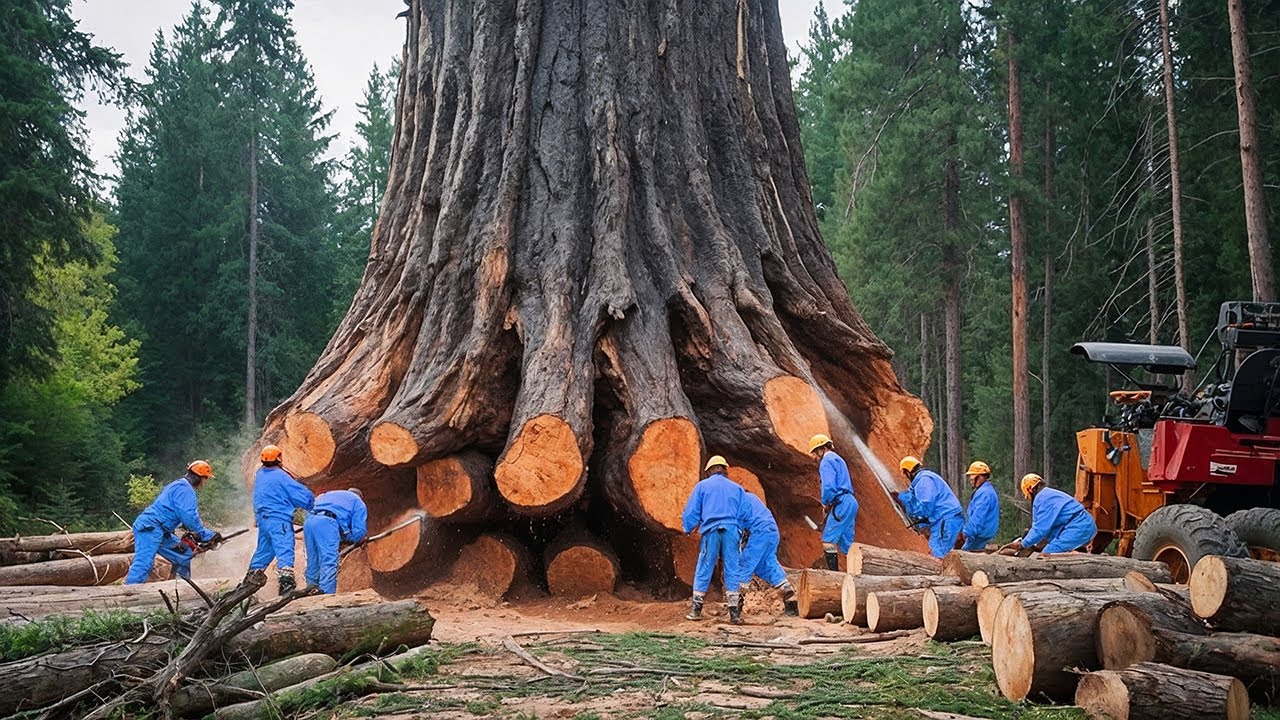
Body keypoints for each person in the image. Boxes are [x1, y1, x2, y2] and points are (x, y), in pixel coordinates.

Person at [125, 461, 221, 584]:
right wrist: (205, 535)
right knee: (144, 563)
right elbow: (189, 516)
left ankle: (181, 587)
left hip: (162, 530)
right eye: (205, 479)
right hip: (150, 527)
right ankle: (128, 593)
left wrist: (195, 535)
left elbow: (180, 515)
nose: (204, 483)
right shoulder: (184, 489)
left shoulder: (178, 485)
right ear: (198, 477)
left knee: (185, 553)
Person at [681, 455, 747, 624]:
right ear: (725, 469)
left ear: (709, 471)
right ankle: (734, 613)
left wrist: (688, 528)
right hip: (732, 530)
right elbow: (744, 512)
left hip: (711, 531)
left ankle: (696, 610)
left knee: (705, 566)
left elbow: (692, 512)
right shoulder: (737, 488)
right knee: (732, 568)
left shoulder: (702, 486)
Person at [248, 445, 315, 594]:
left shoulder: (260, 474)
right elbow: (300, 496)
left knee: (264, 551)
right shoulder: (281, 476)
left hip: (263, 520)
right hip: (278, 519)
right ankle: (286, 587)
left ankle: (248, 585)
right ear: (279, 459)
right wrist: (311, 502)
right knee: (284, 548)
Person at [735, 490, 798, 617]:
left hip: (759, 533)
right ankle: (789, 598)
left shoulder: (737, 503)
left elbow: (738, 532)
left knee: (744, 565)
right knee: (765, 564)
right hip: (773, 532)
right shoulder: (753, 498)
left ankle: (736, 608)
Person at [1001, 473, 1097, 555]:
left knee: (1047, 554)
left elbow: (1040, 529)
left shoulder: (1042, 499)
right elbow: (1052, 530)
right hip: (1083, 524)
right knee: (1056, 549)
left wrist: (1023, 544)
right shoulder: (1050, 494)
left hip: (1079, 526)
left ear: (1030, 489)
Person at [894, 456, 964, 558]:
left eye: (905, 474)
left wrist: (904, 500)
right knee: (941, 553)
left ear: (908, 471)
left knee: (937, 554)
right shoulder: (926, 478)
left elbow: (925, 508)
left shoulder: (924, 481)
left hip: (945, 519)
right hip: (947, 518)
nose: (906, 477)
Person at [303, 488, 368, 594]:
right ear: (360, 496)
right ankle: (325, 595)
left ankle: (310, 591)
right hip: (327, 523)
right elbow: (359, 532)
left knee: (313, 561)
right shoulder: (358, 502)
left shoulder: (330, 494)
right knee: (329, 561)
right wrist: (358, 539)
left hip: (309, 522)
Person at [808, 434, 858, 571]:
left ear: (821, 449)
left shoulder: (826, 461)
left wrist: (826, 502)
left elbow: (829, 486)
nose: (815, 457)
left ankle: (834, 576)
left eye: (815, 453)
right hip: (850, 502)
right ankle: (858, 574)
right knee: (848, 545)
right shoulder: (838, 459)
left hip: (841, 503)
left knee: (828, 542)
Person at [955, 461, 1000, 552]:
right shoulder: (984, 491)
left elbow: (978, 518)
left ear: (980, 476)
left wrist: (965, 534)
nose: (970, 479)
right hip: (980, 535)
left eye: (972, 475)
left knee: (961, 558)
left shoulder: (985, 493)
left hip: (978, 536)